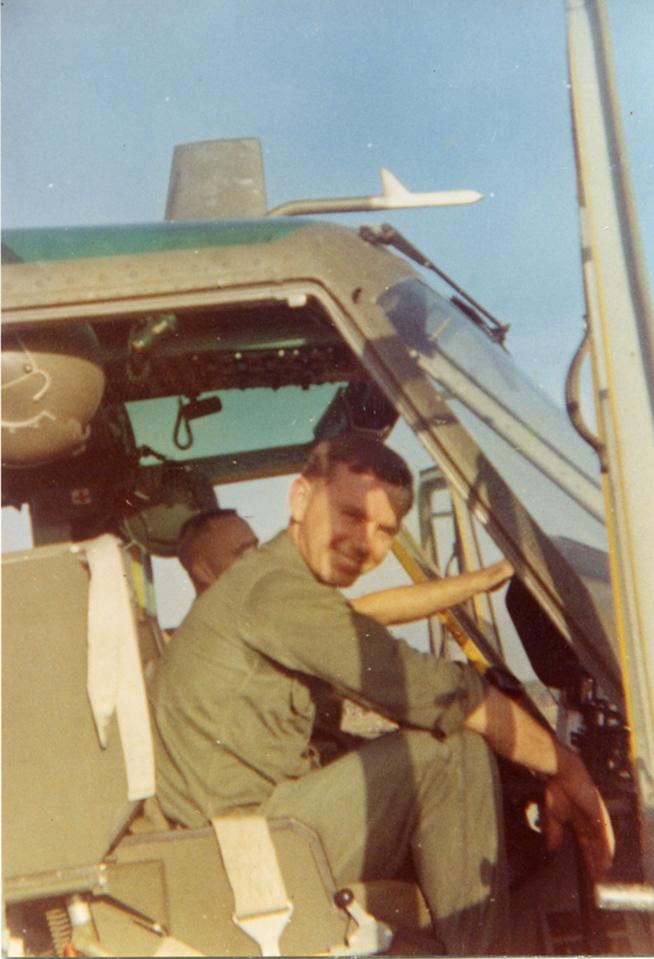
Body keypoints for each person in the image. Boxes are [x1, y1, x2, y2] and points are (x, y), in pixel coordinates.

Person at [149, 433, 614, 956]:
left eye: (385, 530)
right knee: (450, 752)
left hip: (238, 831)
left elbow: (372, 629)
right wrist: (565, 766)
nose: (364, 542)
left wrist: (481, 581)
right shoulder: (274, 592)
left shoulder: (276, 585)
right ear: (300, 498)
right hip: (240, 849)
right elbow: (433, 690)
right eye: (350, 514)